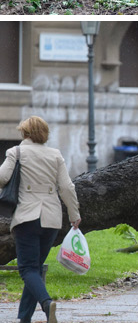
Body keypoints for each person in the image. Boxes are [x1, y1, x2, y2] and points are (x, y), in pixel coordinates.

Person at [0, 116, 81, 323]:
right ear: (44, 134)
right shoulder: (55, 155)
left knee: (27, 269)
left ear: (24, 133)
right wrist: (74, 214)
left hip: (27, 217)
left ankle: (46, 303)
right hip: (51, 219)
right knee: (34, 269)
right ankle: (24, 317)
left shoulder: (16, 152)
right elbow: (66, 187)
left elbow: (2, 178)